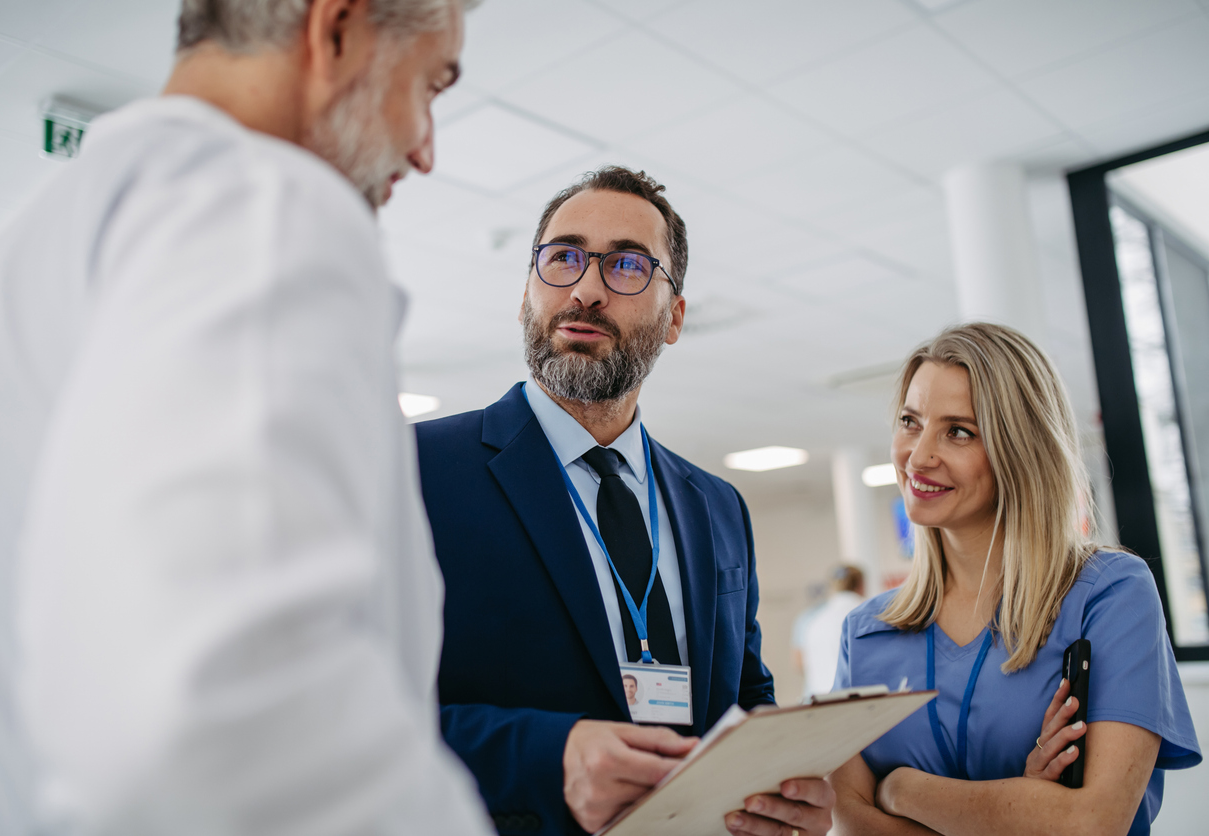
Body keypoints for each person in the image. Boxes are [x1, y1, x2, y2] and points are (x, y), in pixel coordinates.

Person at [0, 1, 495, 834]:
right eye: (429, 84)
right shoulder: (262, 204)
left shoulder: (15, 261)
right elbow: (210, 722)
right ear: (336, 30)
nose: (424, 148)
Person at [415, 166, 835, 836]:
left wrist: (780, 786)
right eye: (563, 259)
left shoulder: (719, 507)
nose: (585, 289)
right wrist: (548, 756)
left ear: (674, 318)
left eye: (628, 267)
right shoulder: (415, 469)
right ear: (525, 295)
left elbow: (746, 694)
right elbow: (338, 711)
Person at [829, 323, 1201, 836]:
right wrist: (1021, 807)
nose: (918, 457)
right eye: (910, 421)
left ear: (1020, 449)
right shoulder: (865, 633)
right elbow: (851, 825)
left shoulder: (1109, 594)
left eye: (959, 431)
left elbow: (1092, 823)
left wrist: (901, 790)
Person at [800, 566, 865, 697]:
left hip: (821, 700)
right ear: (861, 585)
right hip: (858, 700)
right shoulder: (865, 613)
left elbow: (802, 663)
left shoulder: (814, 620)